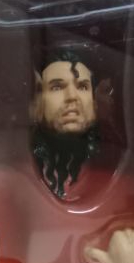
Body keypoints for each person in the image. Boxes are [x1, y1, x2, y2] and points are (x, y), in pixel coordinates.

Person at [30, 47, 103, 199]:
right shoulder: (20, 163)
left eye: (82, 87)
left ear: (95, 103)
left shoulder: (113, 162)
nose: (72, 96)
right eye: (57, 87)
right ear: (37, 102)